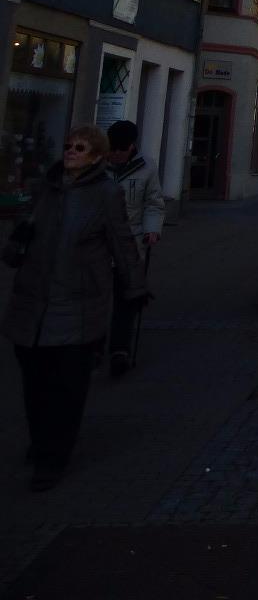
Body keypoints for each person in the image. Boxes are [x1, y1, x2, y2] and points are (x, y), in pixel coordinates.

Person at [2, 124, 145, 489]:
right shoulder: (44, 190)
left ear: (97, 156)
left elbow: (122, 242)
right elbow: (22, 230)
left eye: (80, 148)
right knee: (34, 384)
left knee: (67, 387)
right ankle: (40, 441)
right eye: (68, 146)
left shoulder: (105, 194)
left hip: (79, 305)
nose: (71, 152)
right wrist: (16, 242)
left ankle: (54, 456)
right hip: (32, 304)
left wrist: (135, 288)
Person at [106, 119, 165, 375]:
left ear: (132, 146)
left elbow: (153, 202)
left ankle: (120, 350)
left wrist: (153, 229)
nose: (116, 153)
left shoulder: (146, 167)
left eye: (121, 148)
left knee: (126, 298)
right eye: (112, 148)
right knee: (94, 298)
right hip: (97, 244)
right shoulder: (96, 166)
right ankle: (92, 346)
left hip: (131, 244)